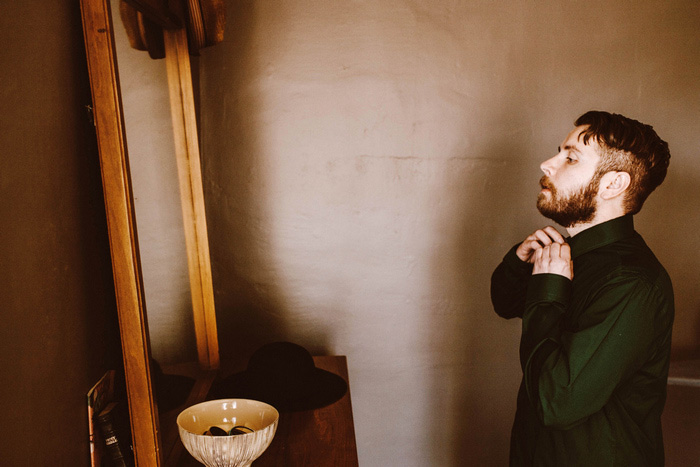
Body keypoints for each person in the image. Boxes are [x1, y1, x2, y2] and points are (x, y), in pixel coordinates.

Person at [491, 111, 674, 466]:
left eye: (570, 157)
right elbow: (505, 302)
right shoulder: (565, 252)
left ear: (612, 185)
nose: (547, 164)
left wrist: (547, 285)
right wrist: (519, 260)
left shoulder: (632, 282)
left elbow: (557, 402)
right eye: (558, 152)